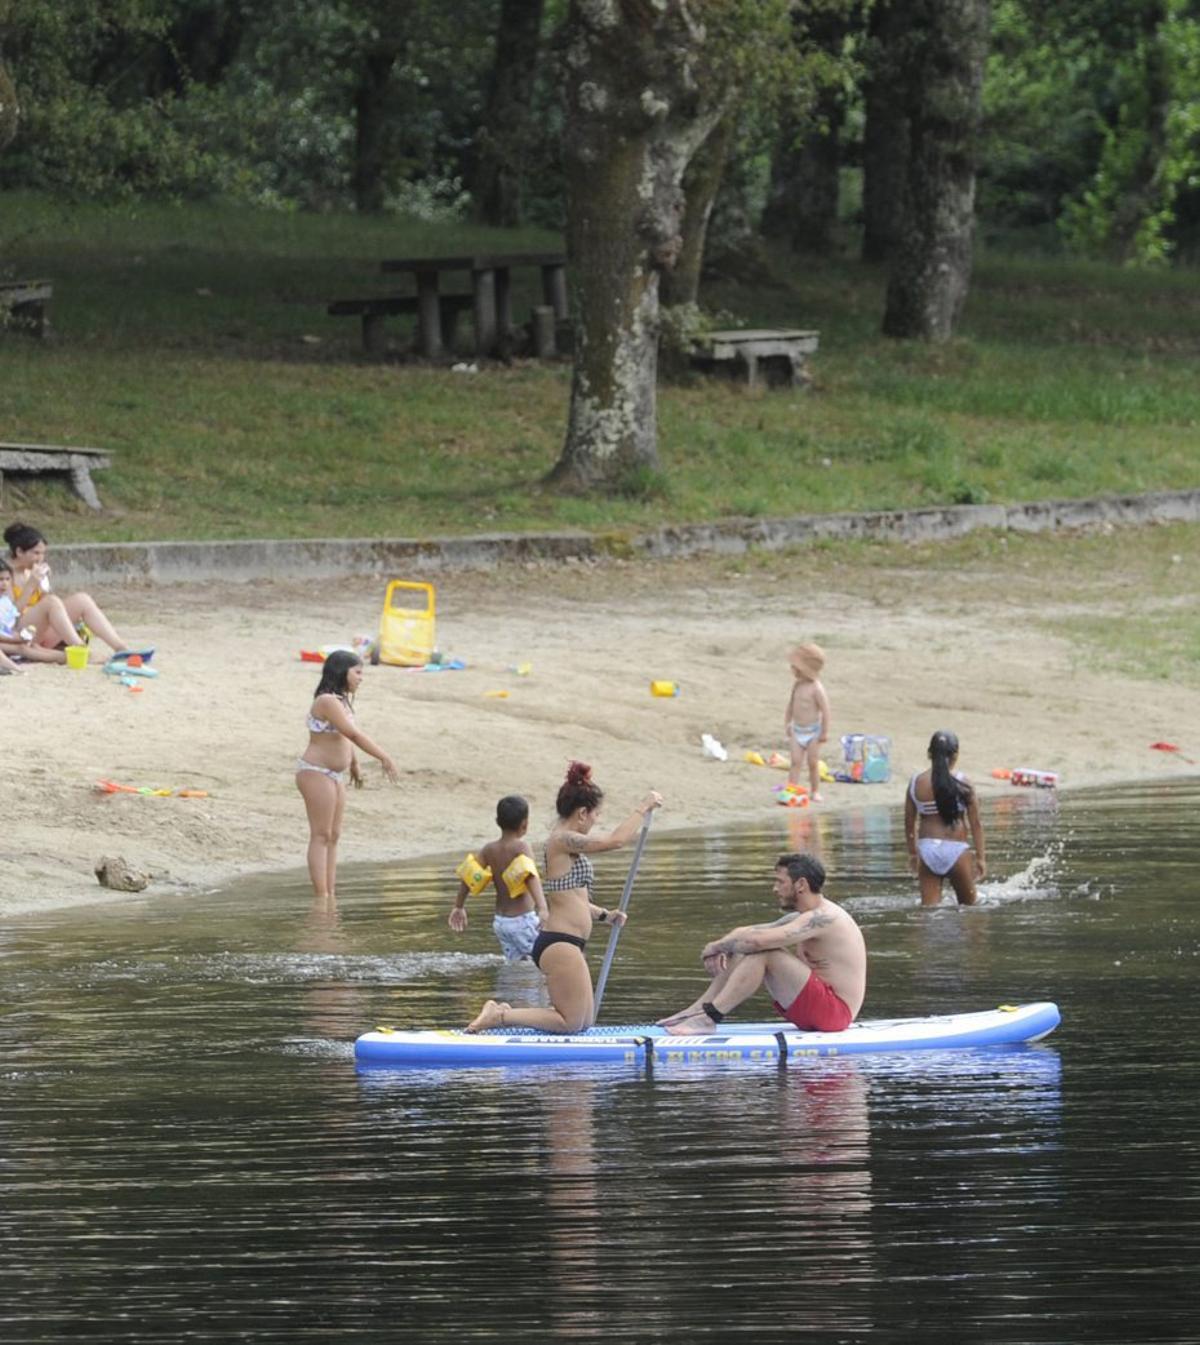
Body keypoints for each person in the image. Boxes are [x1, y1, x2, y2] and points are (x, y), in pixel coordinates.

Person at [466, 761, 662, 1034]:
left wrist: (606, 915)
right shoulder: (561, 840)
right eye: (596, 815)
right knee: (570, 1022)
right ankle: (499, 1015)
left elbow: (573, 898)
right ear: (582, 813)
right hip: (559, 943)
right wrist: (643, 808)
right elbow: (615, 841)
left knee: (584, 1021)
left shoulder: (569, 847)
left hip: (569, 942)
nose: (596, 821)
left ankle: (506, 1015)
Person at [658, 852, 866, 1035]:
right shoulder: (803, 917)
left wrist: (717, 948)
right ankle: (697, 1010)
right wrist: (719, 945)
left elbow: (755, 942)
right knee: (742, 946)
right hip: (815, 1011)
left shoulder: (825, 918)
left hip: (835, 1014)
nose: (774, 889)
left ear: (801, 884)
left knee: (763, 952)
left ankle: (709, 1018)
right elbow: (748, 932)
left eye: (780, 882)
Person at [296, 649, 399, 900]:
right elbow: (353, 734)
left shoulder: (341, 702)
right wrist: (383, 756)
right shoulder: (327, 701)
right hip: (315, 772)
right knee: (320, 834)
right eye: (358, 672)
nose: (361, 678)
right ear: (343, 672)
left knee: (334, 835)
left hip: (334, 774)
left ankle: (330, 894)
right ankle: (321, 896)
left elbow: (344, 736)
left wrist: (353, 763)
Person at [4, 521, 132, 655]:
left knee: (82, 599)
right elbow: (9, 618)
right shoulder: (5, 575)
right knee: (52, 601)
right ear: (19, 551)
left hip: (40, 631)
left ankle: (120, 648)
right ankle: (81, 650)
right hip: (17, 635)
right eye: (36, 553)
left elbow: (45, 605)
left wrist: (43, 586)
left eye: (43, 554)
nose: (40, 558)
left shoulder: (30, 571)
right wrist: (30, 586)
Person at [448, 794, 550, 961]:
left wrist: (458, 906)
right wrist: (543, 908)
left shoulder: (489, 849)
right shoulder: (522, 847)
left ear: (497, 821)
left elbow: (469, 876)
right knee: (543, 963)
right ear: (525, 824)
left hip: (501, 923)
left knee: (516, 966)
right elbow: (530, 877)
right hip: (523, 921)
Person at [905, 729, 987, 906]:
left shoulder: (915, 783)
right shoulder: (963, 782)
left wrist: (913, 854)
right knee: (970, 910)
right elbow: (976, 824)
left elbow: (909, 824)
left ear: (929, 753)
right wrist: (981, 858)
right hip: (957, 850)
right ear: (955, 755)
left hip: (927, 850)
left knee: (929, 912)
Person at [0, 556, 81, 663]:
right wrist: (16, 639)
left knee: (33, 647)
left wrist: (43, 585)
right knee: (24, 649)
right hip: (7, 641)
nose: (5, 583)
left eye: (7, 579)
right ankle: (68, 657)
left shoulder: (5, 600)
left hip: (12, 638)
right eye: (1, 580)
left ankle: (77, 654)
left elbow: (10, 623)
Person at [785, 643, 830, 801]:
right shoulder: (797, 685)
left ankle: (815, 791)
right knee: (795, 762)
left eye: (795, 667)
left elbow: (825, 711)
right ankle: (791, 789)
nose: (793, 670)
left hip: (813, 732)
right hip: (797, 730)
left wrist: (824, 732)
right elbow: (791, 704)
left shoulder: (817, 689)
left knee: (812, 762)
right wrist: (787, 722)